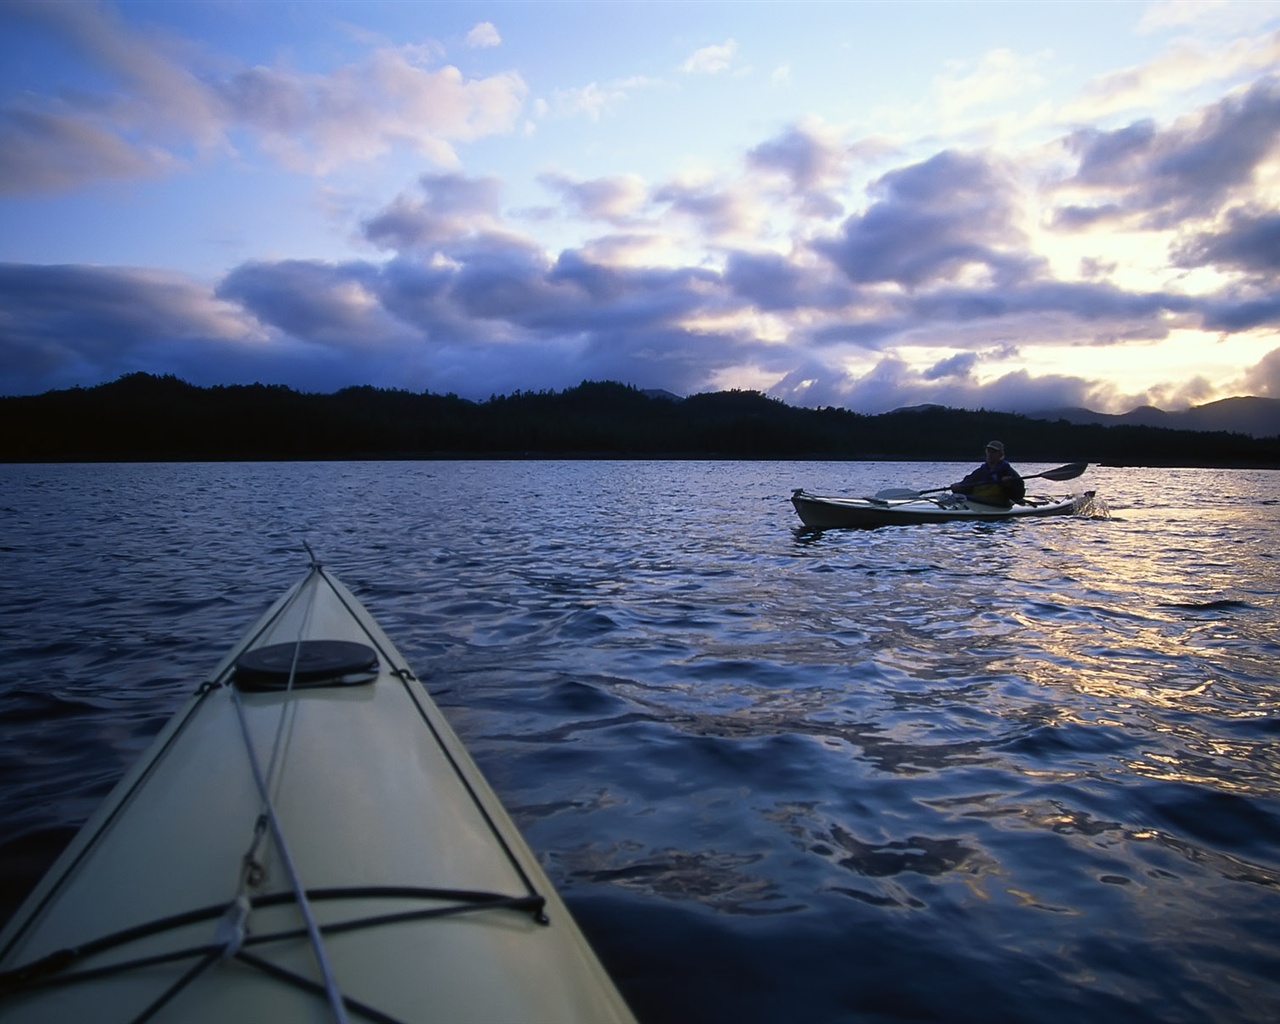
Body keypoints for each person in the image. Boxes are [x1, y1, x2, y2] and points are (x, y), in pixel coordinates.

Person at [951, 441, 1025, 506]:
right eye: (988, 451)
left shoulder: (1008, 471)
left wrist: (1009, 485)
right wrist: (958, 487)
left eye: (994, 452)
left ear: (1001, 454)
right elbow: (966, 484)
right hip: (979, 502)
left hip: (998, 504)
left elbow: (1019, 494)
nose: (990, 454)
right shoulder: (980, 471)